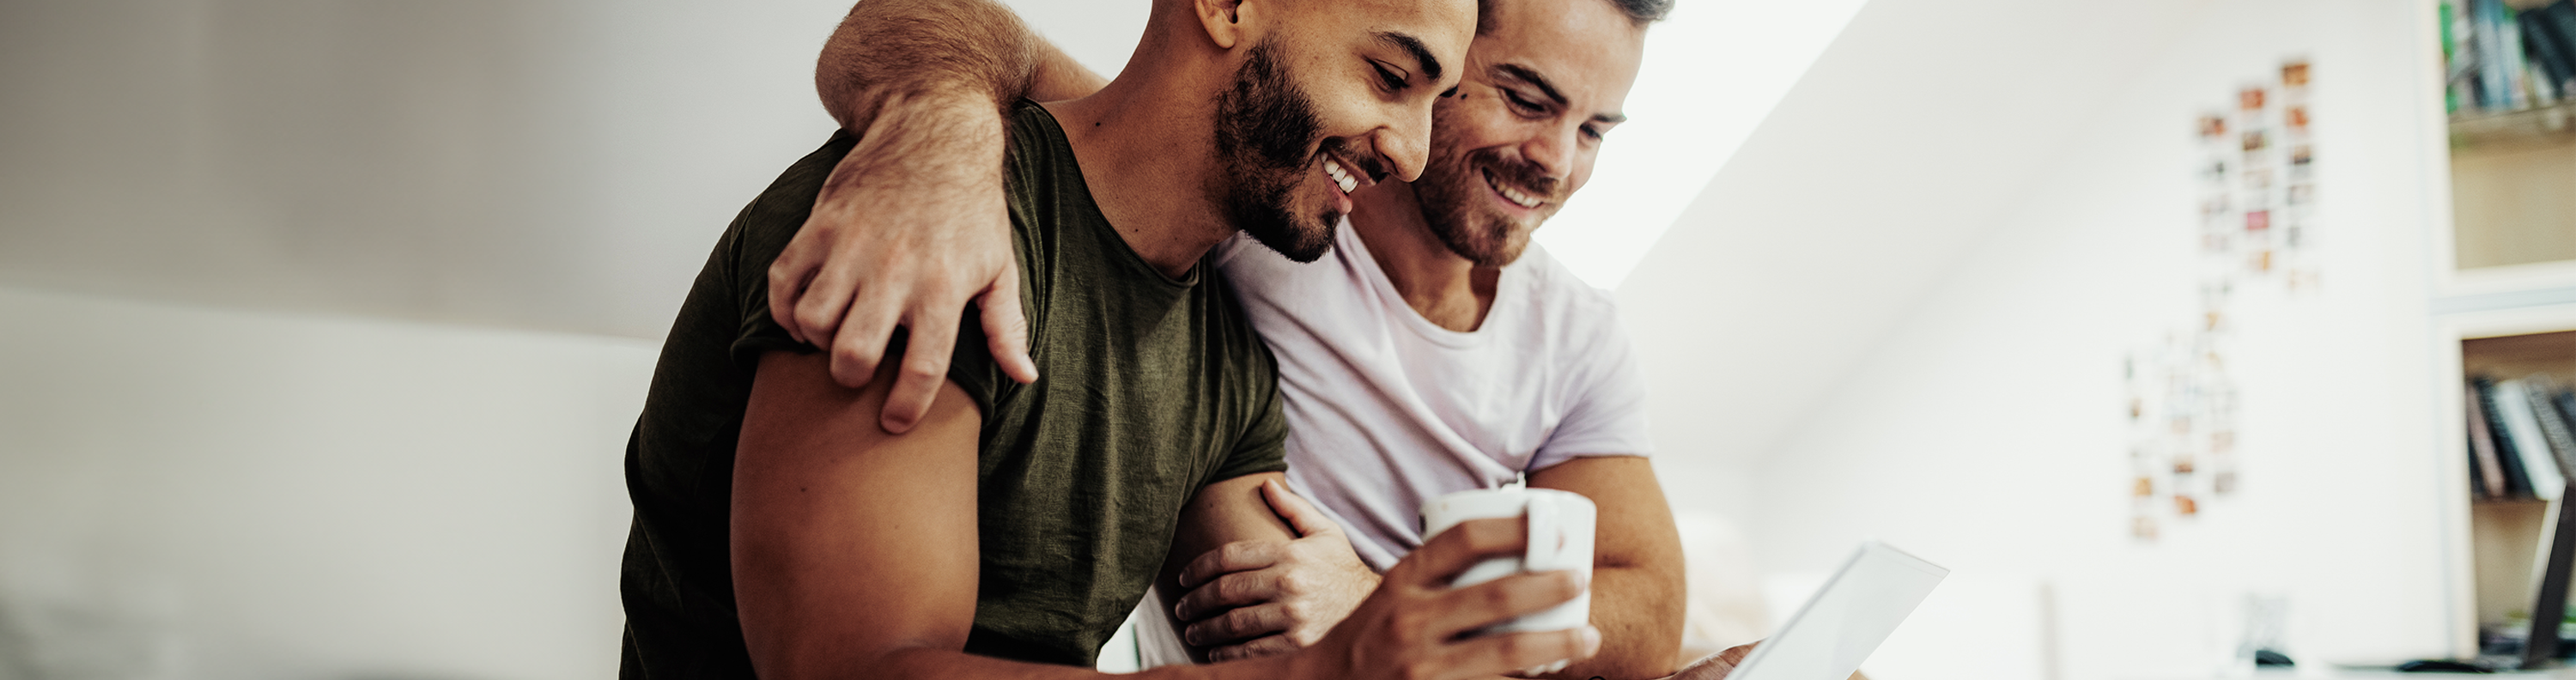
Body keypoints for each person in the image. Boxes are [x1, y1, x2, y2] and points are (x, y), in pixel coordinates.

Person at [616, 0, 1607, 677]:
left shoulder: (1228, 358)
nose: (1414, 153)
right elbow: (858, 671)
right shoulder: (925, 217)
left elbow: (1284, 643)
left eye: (1436, 101)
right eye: (1390, 75)